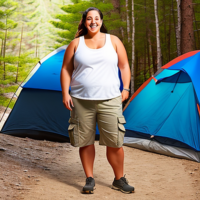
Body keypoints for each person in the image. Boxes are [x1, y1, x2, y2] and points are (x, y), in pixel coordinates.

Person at [60, 7, 134, 194]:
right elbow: (66, 70)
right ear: (85, 22)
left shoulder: (114, 41)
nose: (93, 22)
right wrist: (65, 93)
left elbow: (124, 66)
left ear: (101, 21)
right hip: (81, 101)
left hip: (110, 100)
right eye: (89, 19)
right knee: (85, 141)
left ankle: (119, 179)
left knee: (115, 142)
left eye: (97, 18)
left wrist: (126, 88)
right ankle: (89, 178)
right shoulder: (76, 44)